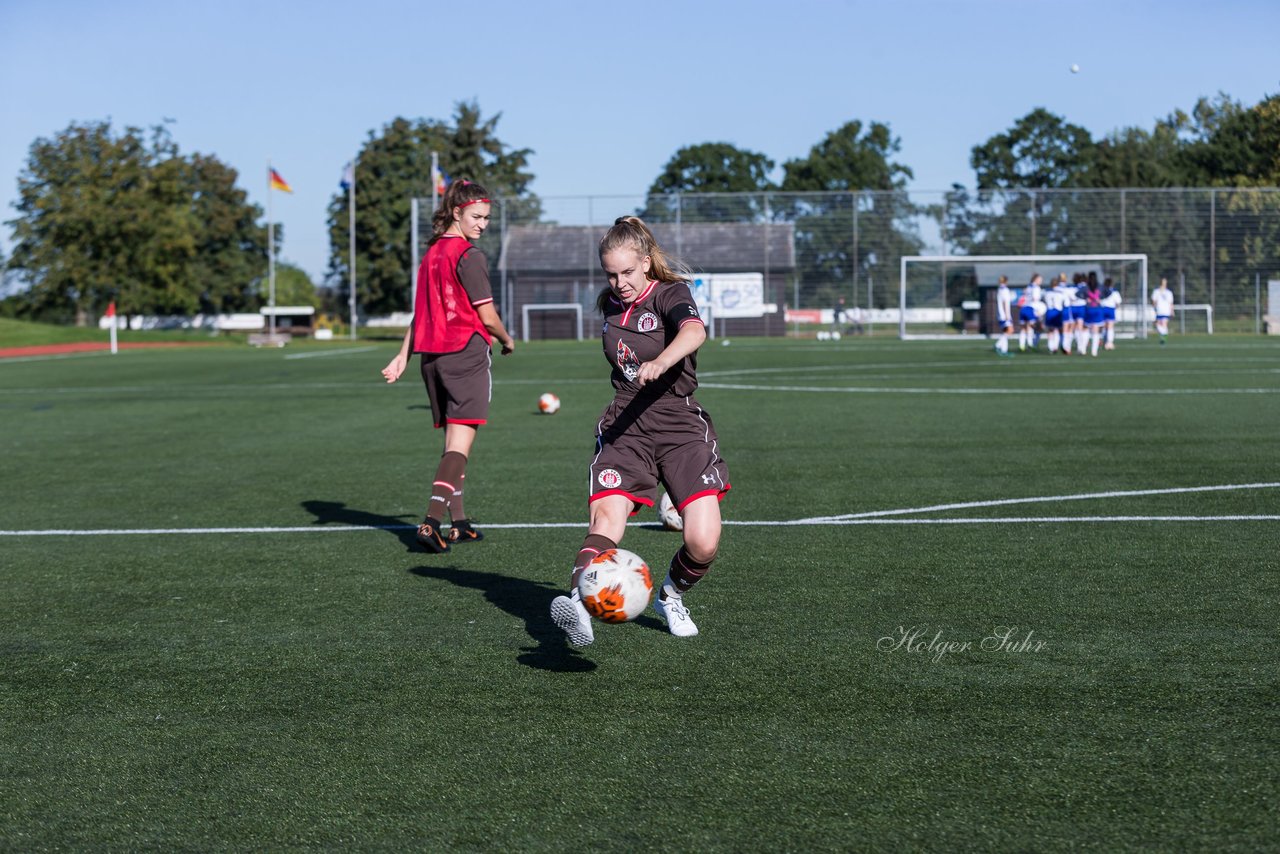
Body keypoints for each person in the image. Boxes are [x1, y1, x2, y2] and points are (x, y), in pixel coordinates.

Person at [551, 216, 731, 646]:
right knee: (607, 516)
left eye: (627, 272)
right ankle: (578, 600)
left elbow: (694, 330)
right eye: (611, 274)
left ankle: (669, 596)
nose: (619, 283)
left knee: (703, 542)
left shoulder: (671, 293)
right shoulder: (611, 303)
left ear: (646, 262)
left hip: (679, 424)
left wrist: (663, 361)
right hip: (625, 424)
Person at [380, 179, 516, 553]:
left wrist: (402, 356)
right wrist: (507, 339)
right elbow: (487, 316)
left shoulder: (431, 254)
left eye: (487, 217)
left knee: (453, 444)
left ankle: (459, 522)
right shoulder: (468, 255)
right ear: (457, 212)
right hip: (465, 353)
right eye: (476, 216)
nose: (483, 224)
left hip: (432, 360)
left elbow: (419, 314)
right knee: (460, 444)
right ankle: (431, 522)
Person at [1082, 271, 1106, 357]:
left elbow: (1077, 294)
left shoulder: (1086, 287)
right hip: (1097, 309)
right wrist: (1101, 298)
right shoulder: (1100, 286)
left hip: (1089, 309)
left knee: (1086, 329)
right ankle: (1094, 351)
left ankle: (1083, 349)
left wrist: (1085, 298)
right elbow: (1108, 292)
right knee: (1096, 330)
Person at [1018, 273, 1043, 351]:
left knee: (1023, 328)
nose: (1041, 281)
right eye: (1040, 279)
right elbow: (1036, 299)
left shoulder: (1028, 287)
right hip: (1030, 308)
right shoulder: (1036, 288)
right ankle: (1030, 344)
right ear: (1036, 279)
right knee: (1030, 327)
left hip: (1023, 308)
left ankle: (1021, 345)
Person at [993, 275, 1014, 356]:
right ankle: (998, 345)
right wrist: (1007, 315)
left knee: (1005, 332)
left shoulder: (1000, 289)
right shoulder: (1005, 290)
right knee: (1010, 331)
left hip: (1001, 314)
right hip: (1004, 315)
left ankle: (1004, 350)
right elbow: (1005, 303)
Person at [1152, 278, 1175, 344]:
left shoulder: (1169, 292)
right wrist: (1154, 308)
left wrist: (1172, 310)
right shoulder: (1156, 291)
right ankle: (1164, 334)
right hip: (1158, 310)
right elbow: (1154, 301)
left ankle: (1163, 339)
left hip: (1166, 311)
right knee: (1158, 325)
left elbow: (1171, 303)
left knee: (1164, 324)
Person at [1101, 277, 1121, 350]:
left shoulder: (1102, 290)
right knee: (1110, 327)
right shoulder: (1115, 291)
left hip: (1102, 309)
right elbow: (1118, 303)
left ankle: (1105, 341)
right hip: (1111, 309)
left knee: (1103, 327)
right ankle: (1109, 343)